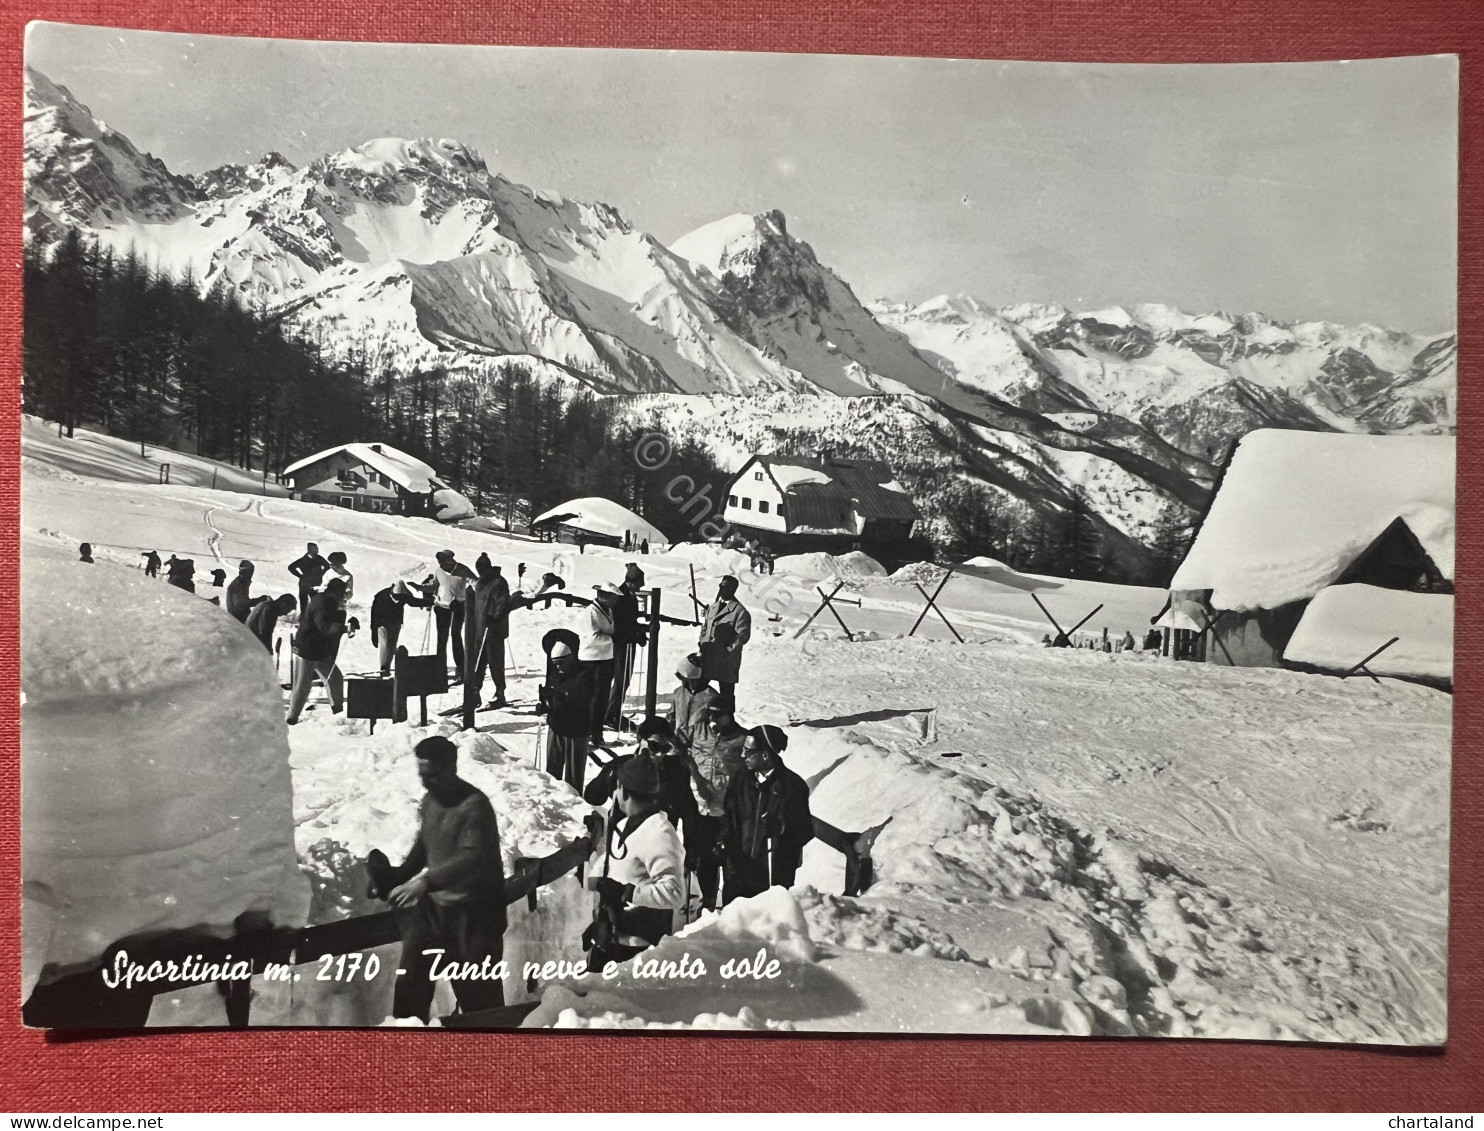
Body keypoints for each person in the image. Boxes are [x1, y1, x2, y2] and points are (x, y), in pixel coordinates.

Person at [366, 735, 506, 1023]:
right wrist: (399, 876)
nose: (425, 782)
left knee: (480, 1001)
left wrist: (424, 883)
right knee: (411, 985)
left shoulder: (474, 806)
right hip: (436, 911)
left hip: (475, 916)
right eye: (421, 774)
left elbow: (472, 858)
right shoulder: (431, 801)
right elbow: (425, 844)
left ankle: (489, 1045)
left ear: (451, 768)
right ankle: (408, 1039)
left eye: (432, 775)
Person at [581, 753, 685, 971]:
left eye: (616, 788)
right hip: (610, 937)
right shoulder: (624, 825)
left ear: (624, 790)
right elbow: (612, 869)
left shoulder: (660, 833)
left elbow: (674, 893)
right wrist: (588, 886)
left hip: (637, 949)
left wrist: (627, 892)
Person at [720, 724, 812, 905]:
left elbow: (805, 831)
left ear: (765, 755)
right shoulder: (740, 779)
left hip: (771, 875)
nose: (742, 756)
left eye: (748, 752)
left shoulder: (793, 786)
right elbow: (728, 815)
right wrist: (723, 840)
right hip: (738, 871)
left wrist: (781, 828)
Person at [584, 718, 699, 851]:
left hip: (659, 848)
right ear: (641, 740)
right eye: (654, 746)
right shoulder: (622, 765)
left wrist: (689, 856)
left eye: (665, 748)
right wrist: (609, 776)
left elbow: (690, 816)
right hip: (625, 848)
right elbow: (593, 797)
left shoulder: (675, 771)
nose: (659, 754)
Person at [685, 698, 747, 912]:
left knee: (729, 862)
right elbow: (675, 743)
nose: (712, 719)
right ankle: (708, 901)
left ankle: (730, 906)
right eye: (710, 714)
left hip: (727, 812)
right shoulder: (698, 731)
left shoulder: (742, 739)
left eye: (718, 715)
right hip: (701, 808)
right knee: (704, 860)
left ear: (729, 715)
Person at [286, 577, 356, 725]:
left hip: (320, 650)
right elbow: (325, 627)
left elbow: (334, 620)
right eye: (342, 593)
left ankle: (338, 710)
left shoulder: (329, 601)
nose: (343, 596)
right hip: (307, 649)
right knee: (302, 685)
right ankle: (292, 717)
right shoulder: (321, 603)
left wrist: (349, 622)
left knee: (335, 678)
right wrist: (344, 628)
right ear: (334, 591)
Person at [537, 641, 594, 791]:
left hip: (576, 731)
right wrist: (545, 704)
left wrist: (558, 701)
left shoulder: (584, 675)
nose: (558, 666)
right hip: (556, 727)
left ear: (571, 658)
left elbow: (582, 701)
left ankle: (574, 801)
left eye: (561, 663)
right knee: (551, 774)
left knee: (573, 777)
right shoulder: (555, 674)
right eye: (554, 663)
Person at [463, 554, 512, 711]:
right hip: (480, 629)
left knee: (495, 662)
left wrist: (495, 617)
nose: (479, 571)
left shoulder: (498, 582)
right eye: (478, 569)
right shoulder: (480, 583)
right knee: (478, 663)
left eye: (482, 568)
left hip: (494, 630)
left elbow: (503, 603)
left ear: (488, 567)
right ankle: (475, 692)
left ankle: (500, 692)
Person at [606, 563, 649, 731]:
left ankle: (614, 711)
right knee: (621, 679)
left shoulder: (629, 595)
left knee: (625, 679)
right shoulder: (620, 597)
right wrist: (634, 634)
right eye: (639, 584)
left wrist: (641, 629)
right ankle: (611, 715)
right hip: (621, 645)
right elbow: (618, 626)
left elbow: (630, 622)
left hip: (628, 643)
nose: (640, 587)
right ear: (630, 582)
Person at [698, 575, 751, 705]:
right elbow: (705, 628)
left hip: (726, 662)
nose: (723, 590)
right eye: (721, 587)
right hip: (708, 657)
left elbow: (742, 637)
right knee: (698, 691)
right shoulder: (712, 608)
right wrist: (702, 643)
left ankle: (727, 717)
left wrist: (727, 651)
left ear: (733, 590)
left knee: (726, 696)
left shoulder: (740, 611)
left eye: (727, 588)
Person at [370, 578, 434, 676]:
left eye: (401, 598)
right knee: (384, 645)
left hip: (395, 623)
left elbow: (414, 602)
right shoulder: (381, 596)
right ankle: (383, 668)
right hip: (382, 624)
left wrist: (431, 602)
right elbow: (374, 616)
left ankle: (386, 669)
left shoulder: (403, 596)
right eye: (397, 597)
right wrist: (373, 633)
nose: (399, 600)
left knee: (391, 646)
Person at [581, 584, 618, 745]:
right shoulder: (592, 612)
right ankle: (590, 734)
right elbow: (593, 638)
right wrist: (613, 638)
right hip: (592, 660)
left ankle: (597, 734)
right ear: (603, 596)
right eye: (612, 597)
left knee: (602, 699)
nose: (615, 600)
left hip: (605, 659)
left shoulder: (606, 610)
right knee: (593, 700)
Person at [432, 550, 475, 680]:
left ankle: (461, 669)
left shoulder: (462, 569)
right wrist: (422, 588)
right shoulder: (439, 571)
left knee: (456, 636)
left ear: (449, 561)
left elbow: (476, 584)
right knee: (441, 638)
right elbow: (434, 585)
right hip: (442, 607)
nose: (440, 565)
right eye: (439, 562)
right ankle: (439, 669)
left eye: (442, 563)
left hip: (459, 606)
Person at [665, 654, 717, 755]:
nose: (681, 681)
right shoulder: (678, 693)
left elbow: (713, 729)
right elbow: (671, 718)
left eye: (682, 678)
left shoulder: (711, 697)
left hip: (701, 749)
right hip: (678, 745)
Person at [288, 543, 329, 615]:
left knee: (315, 602)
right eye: (314, 549)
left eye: (316, 548)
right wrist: (300, 576)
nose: (316, 550)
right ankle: (303, 618)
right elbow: (291, 567)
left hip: (316, 584)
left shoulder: (319, 558)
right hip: (304, 584)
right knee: (304, 603)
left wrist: (321, 574)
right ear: (308, 550)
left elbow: (327, 566)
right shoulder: (303, 560)